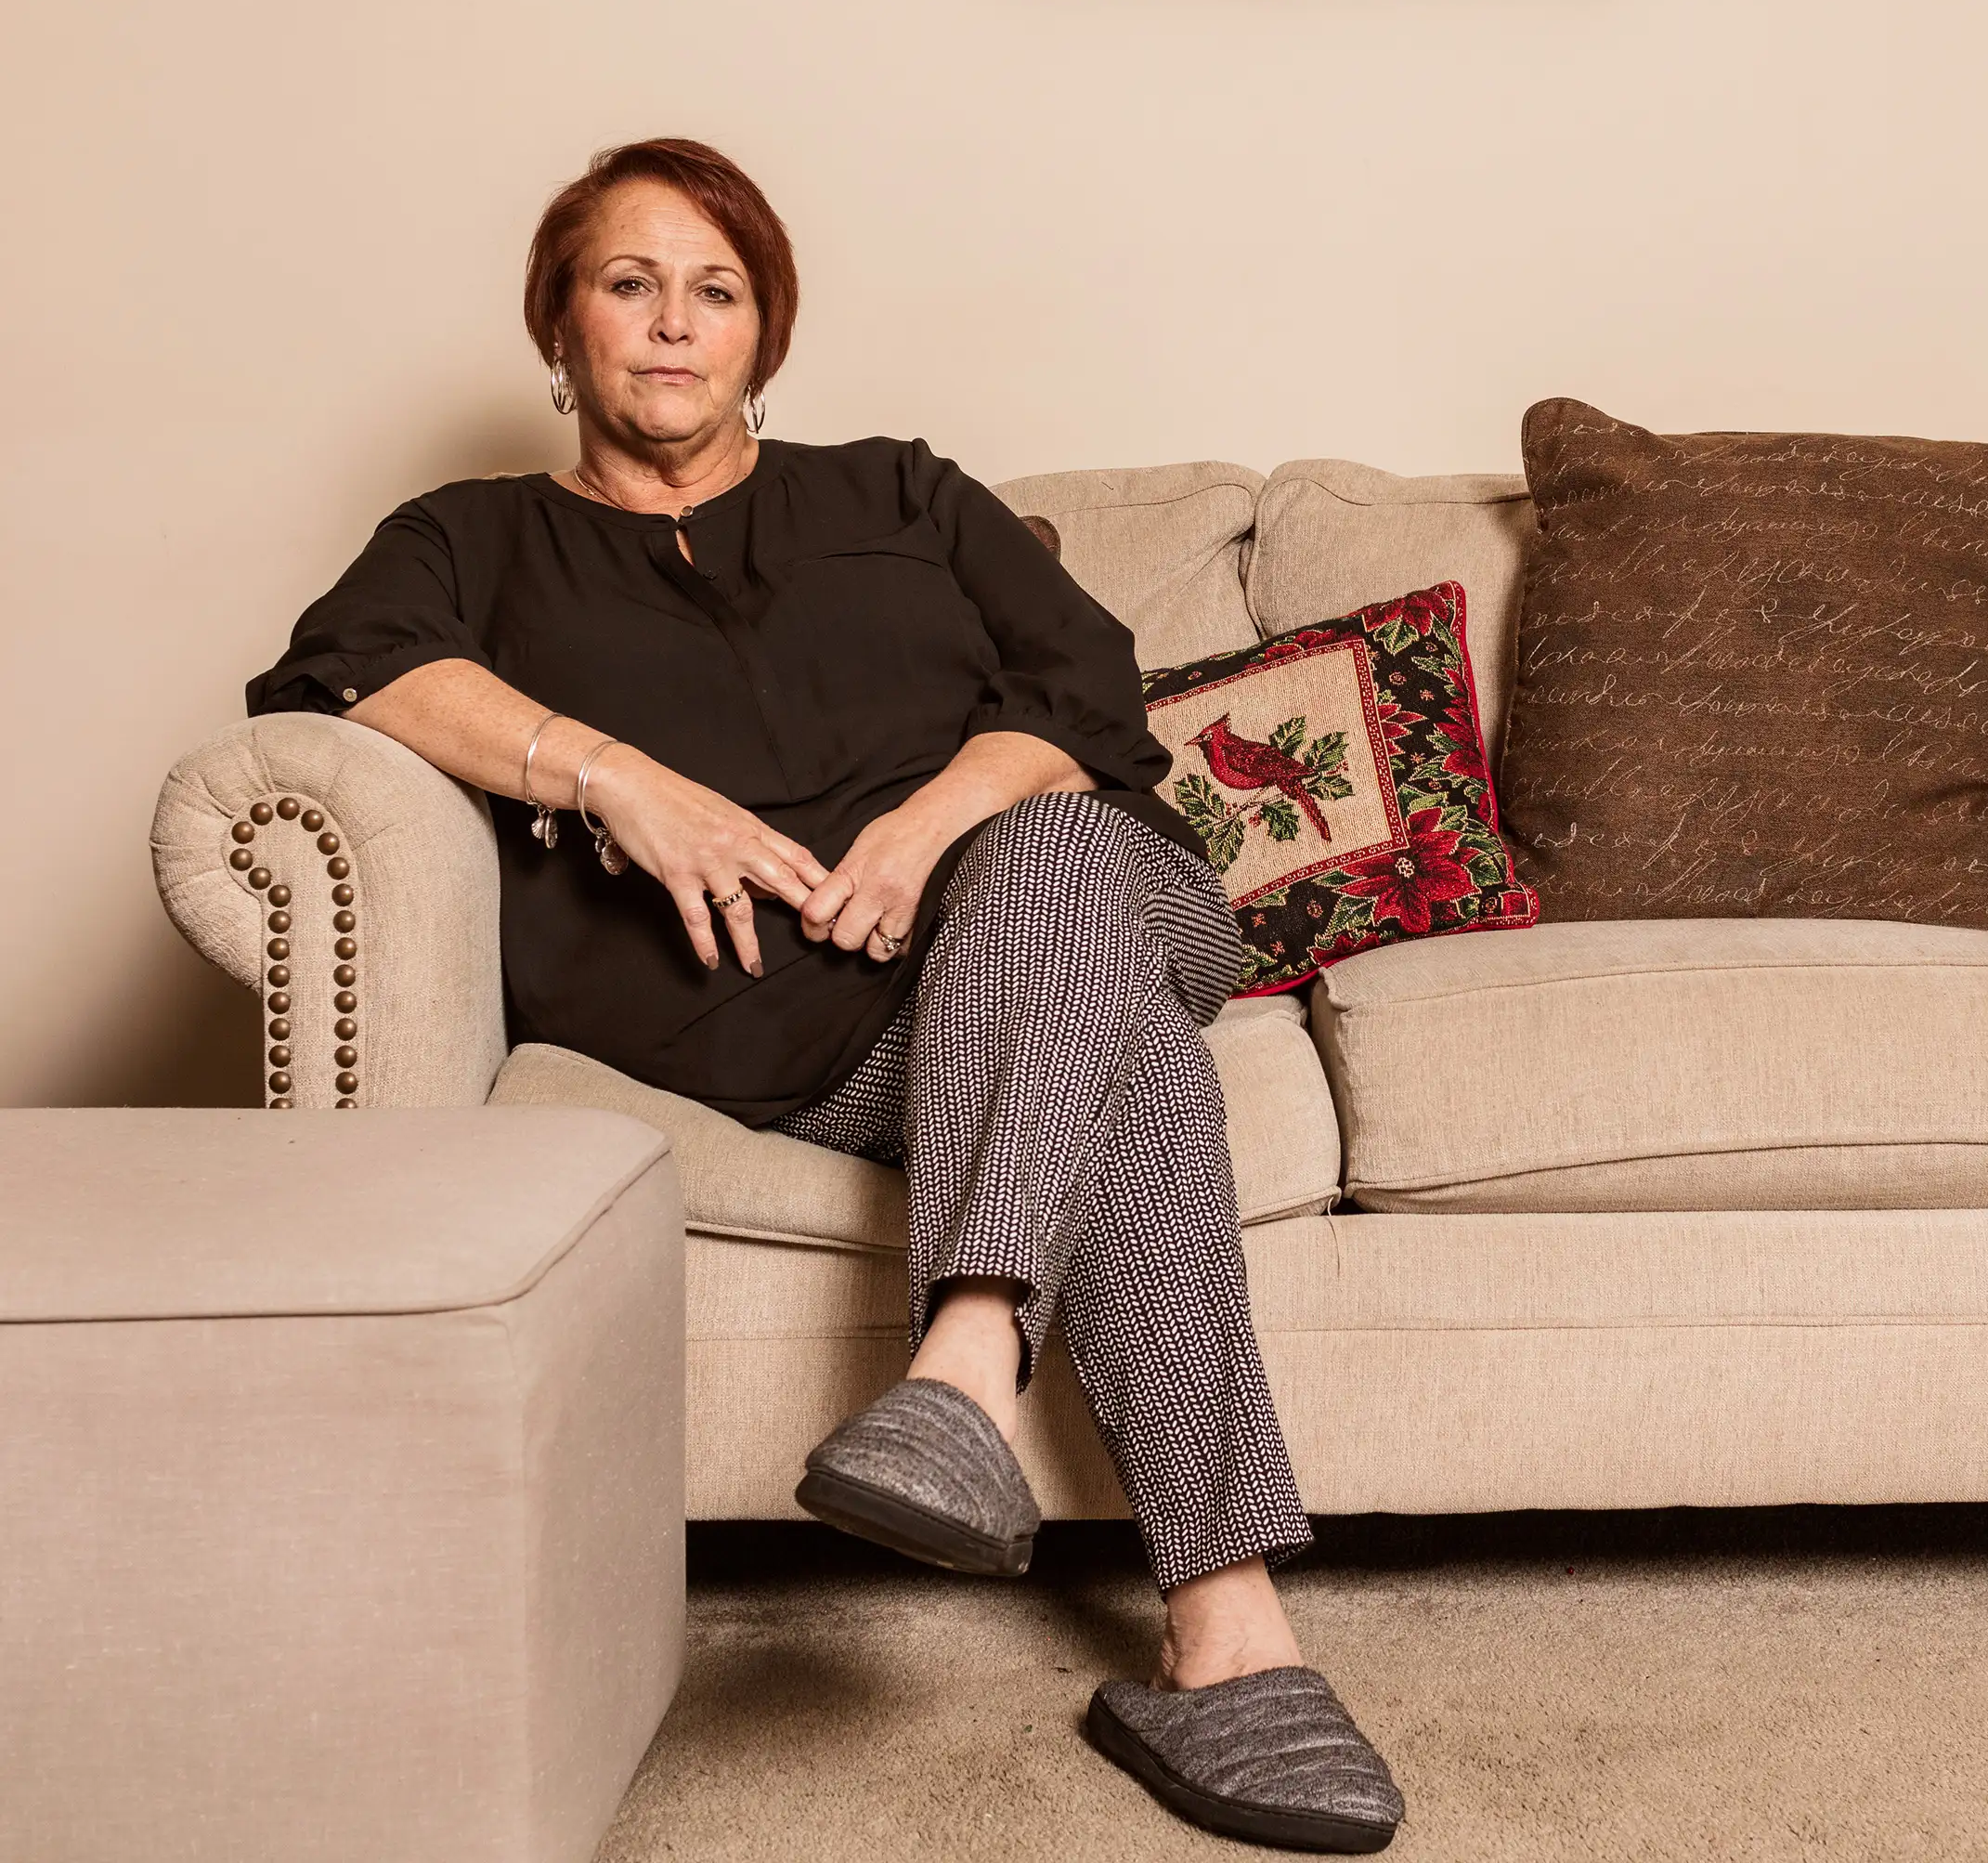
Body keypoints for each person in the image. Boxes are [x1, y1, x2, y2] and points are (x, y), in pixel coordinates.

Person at [248, 137, 1404, 1855]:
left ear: (762, 339)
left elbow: (1087, 688)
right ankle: (1227, 1637)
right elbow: (332, 675)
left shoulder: (900, 493)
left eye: (714, 292)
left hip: (1071, 889)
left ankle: (964, 1358)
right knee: (1140, 1071)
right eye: (627, 286)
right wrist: (603, 773)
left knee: (1054, 853)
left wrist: (929, 822)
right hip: (816, 1035)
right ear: (558, 330)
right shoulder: (475, 540)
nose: (670, 326)